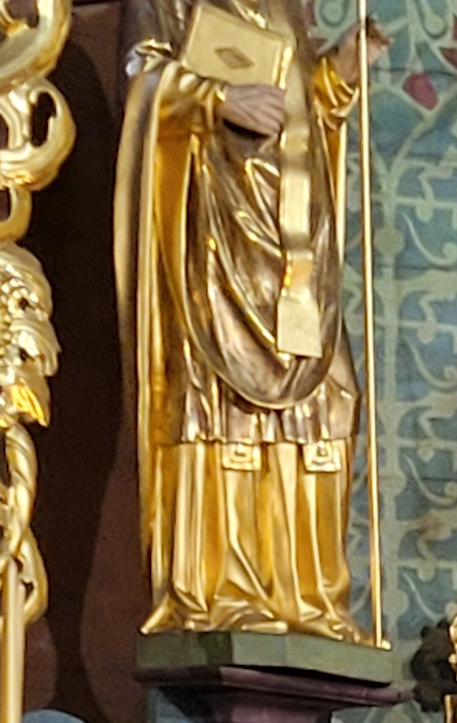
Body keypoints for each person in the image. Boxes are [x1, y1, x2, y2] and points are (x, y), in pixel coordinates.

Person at [118, 0, 372, 638]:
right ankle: (224, 586)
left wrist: (337, 77)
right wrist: (215, 99)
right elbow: (144, 83)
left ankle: (306, 594)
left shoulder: (285, 7)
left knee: (331, 399)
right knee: (223, 402)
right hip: (216, 243)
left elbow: (300, 107)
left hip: (295, 251)